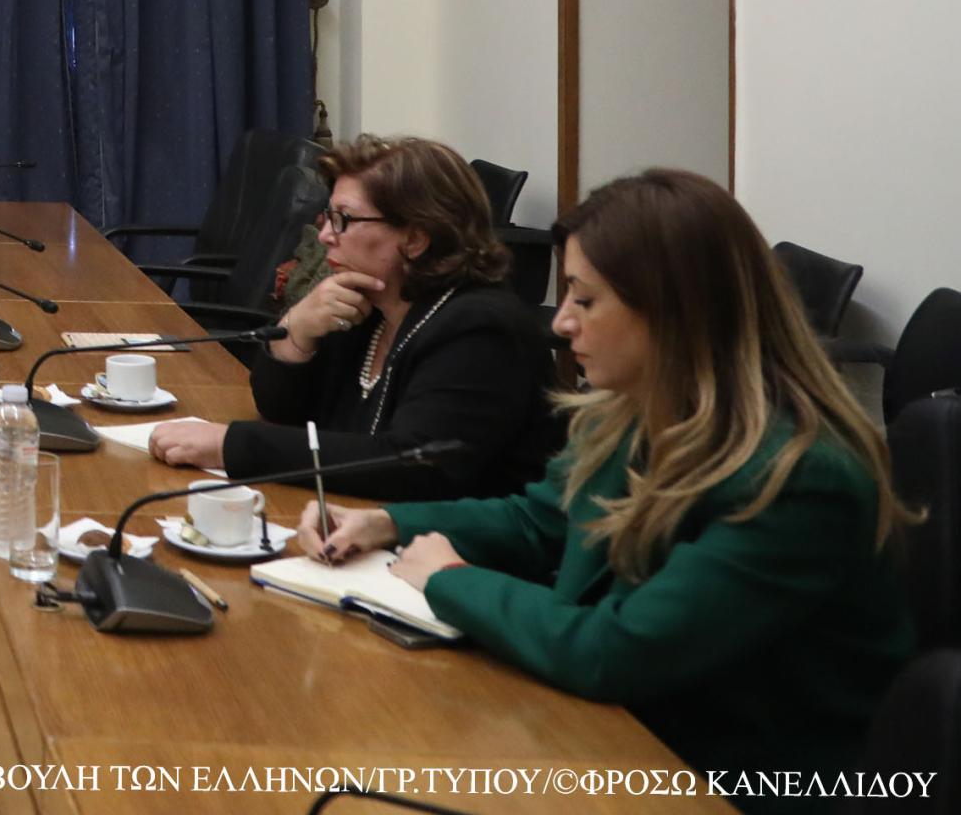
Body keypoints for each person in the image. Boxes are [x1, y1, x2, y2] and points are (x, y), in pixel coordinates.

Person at [299, 169, 914, 779]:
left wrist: (450, 578)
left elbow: (615, 652)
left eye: (585, 300)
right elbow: (539, 521)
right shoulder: (633, 414)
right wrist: (385, 523)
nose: (561, 323)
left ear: (674, 311)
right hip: (625, 737)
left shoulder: (798, 478)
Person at [147, 135, 555, 499]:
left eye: (344, 219)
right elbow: (284, 413)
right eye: (327, 217)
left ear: (415, 239)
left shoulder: (481, 331)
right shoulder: (366, 304)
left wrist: (232, 446)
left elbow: (411, 465)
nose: (325, 235)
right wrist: (297, 331)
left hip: (455, 550)